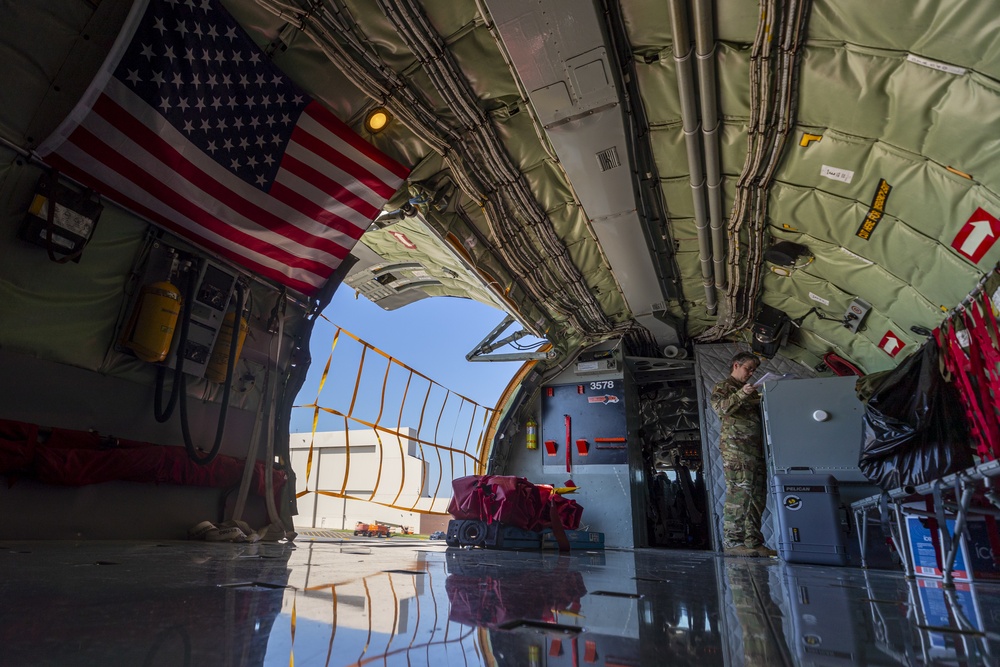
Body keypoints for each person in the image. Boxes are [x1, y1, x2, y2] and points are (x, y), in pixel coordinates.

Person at [709, 352, 776, 558]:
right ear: (736, 365)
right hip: (737, 450)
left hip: (755, 449)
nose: (751, 373)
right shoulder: (724, 387)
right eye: (748, 368)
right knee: (739, 493)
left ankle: (753, 542)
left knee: (756, 496)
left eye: (754, 370)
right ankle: (733, 541)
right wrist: (741, 394)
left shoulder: (751, 391)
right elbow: (720, 409)